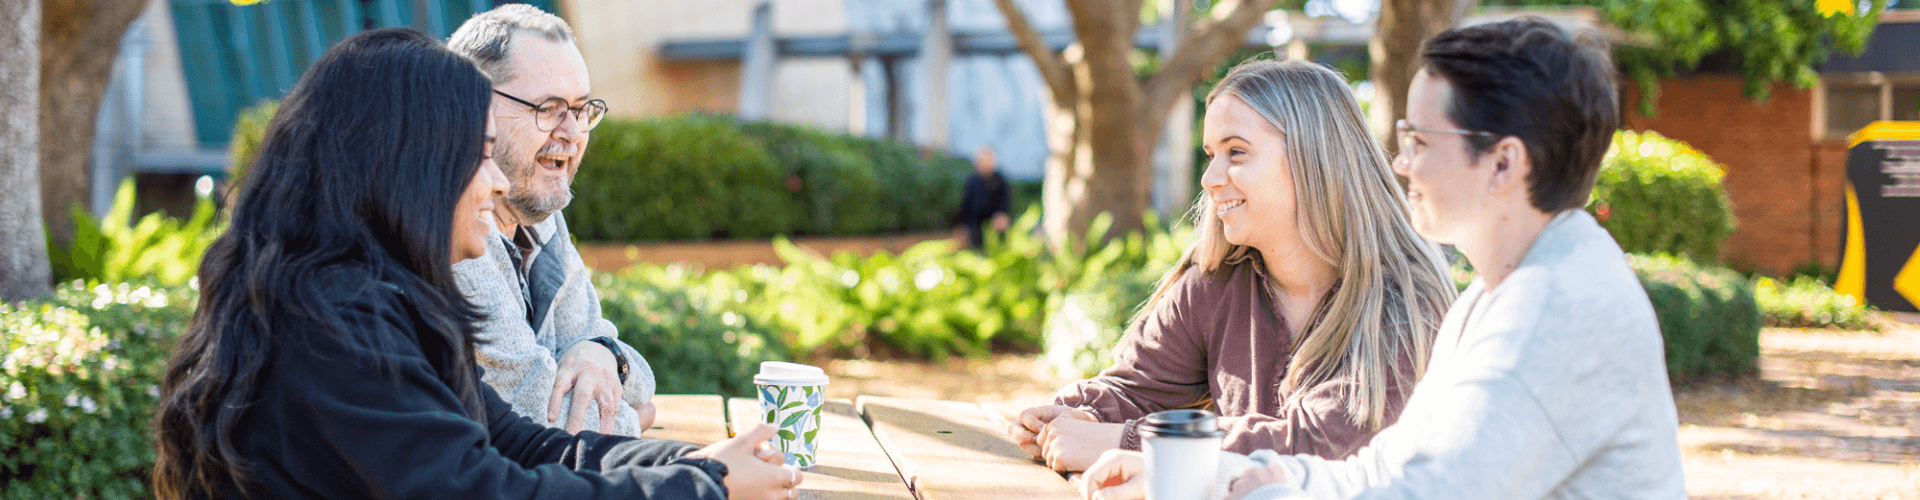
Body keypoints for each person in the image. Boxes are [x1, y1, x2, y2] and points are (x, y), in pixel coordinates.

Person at [149, 28, 800, 499]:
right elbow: (484, 488)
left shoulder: (386, 300)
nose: (495, 183)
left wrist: (701, 460)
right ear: (411, 170)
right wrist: (704, 484)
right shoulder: (328, 324)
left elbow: (523, 442)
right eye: (479, 154)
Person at [1080, 18, 1687, 500]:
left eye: (1421, 142)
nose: (1400, 164)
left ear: (1505, 163)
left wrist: (1193, 479)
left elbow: (1427, 493)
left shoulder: (1554, 309)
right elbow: (1383, 469)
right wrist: (1203, 478)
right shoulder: (1498, 294)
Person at [1007, 58, 1457, 473]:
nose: (1210, 178)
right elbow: (1138, 388)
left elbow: (1322, 446)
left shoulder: (1404, 301)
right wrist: (1079, 414)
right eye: (1210, 154)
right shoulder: (1216, 283)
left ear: (1314, 159)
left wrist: (1125, 442)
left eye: (1236, 152)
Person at [445, 5, 657, 437]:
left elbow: (638, 383)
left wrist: (599, 351)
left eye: (582, 109)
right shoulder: (454, 233)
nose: (574, 132)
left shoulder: (539, 217)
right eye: (549, 108)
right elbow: (542, 420)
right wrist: (639, 419)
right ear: (472, 108)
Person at [956, 145, 1013, 251]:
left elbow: (1006, 202)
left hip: (994, 219)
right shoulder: (972, 181)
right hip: (975, 222)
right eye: (981, 160)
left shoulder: (1001, 180)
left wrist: (1002, 215)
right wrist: (962, 225)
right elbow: (965, 205)